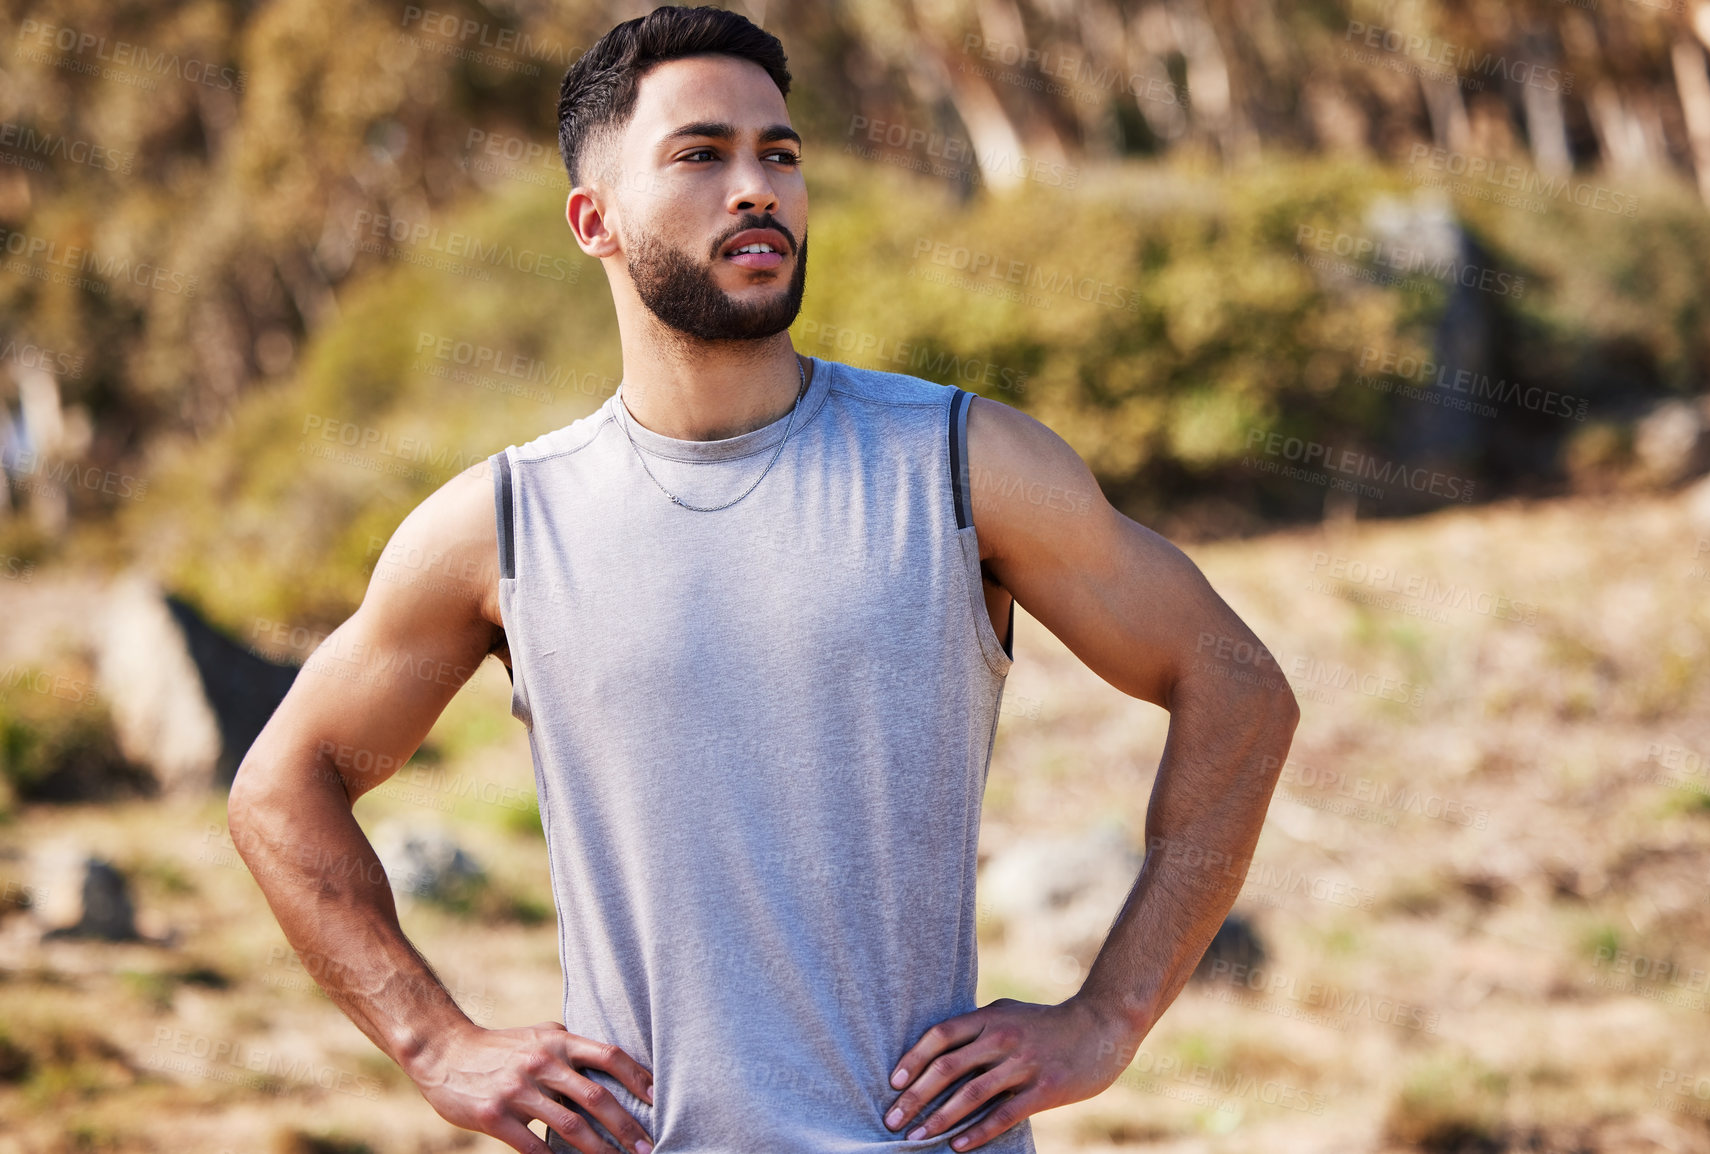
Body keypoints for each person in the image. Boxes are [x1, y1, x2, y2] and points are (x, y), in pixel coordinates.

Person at [227, 6, 1300, 1153]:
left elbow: (1235, 684)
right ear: (594, 221)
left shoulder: (961, 464)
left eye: (778, 154)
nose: (758, 188)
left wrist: (1108, 1016)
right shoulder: (502, 526)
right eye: (701, 155)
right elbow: (282, 787)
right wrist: (434, 1040)